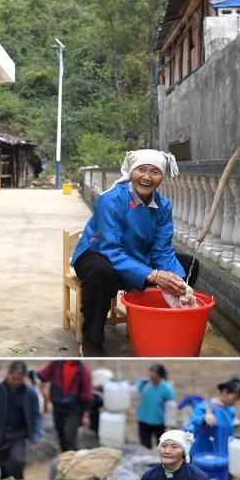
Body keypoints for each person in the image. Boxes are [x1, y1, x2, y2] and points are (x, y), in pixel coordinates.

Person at [71, 149, 199, 356]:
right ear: (131, 172)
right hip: (98, 254)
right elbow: (110, 249)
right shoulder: (110, 200)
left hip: (136, 257)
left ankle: (169, 320)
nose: (147, 177)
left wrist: (178, 283)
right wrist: (154, 275)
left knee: (186, 264)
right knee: (100, 272)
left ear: (162, 177)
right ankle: (92, 340)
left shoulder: (163, 206)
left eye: (155, 172)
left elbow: (162, 249)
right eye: (141, 170)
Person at [0, 361, 42, 480]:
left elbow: (36, 415)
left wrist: (36, 435)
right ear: (8, 374)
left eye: (19, 379)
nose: (16, 382)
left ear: (24, 378)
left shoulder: (30, 393)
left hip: (18, 434)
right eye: (13, 378)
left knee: (16, 461)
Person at [37, 360, 94, 452]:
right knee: (61, 436)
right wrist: (39, 382)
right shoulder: (56, 364)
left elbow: (86, 395)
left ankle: (74, 460)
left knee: (70, 438)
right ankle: (65, 459)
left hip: (73, 409)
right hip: (57, 407)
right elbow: (43, 375)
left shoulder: (83, 371)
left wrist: (86, 416)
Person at [184, 378, 240, 458]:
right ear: (225, 392)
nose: (236, 401)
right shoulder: (206, 407)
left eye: (238, 399)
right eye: (235, 398)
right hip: (205, 452)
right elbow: (195, 420)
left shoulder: (231, 410)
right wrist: (204, 419)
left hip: (223, 450)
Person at [134, 364, 176, 449]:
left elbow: (170, 408)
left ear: (160, 376)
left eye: (154, 376)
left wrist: (168, 425)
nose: (152, 378)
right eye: (150, 376)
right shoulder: (145, 384)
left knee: (161, 445)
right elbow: (132, 391)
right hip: (144, 420)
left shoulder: (166, 388)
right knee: (145, 445)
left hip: (159, 422)